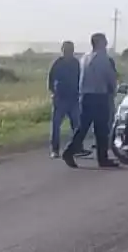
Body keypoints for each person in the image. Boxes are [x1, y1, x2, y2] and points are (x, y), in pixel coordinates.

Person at [62, 33, 119, 168]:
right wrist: (113, 89)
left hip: (85, 96)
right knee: (101, 128)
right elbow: (110, 76)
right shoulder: (103, 58)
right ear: (99, 43)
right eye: (104, 41)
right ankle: (101, 158)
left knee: (83, 127)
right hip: (99, 95)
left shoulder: (85, 58)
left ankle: (72, 151)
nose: (106, 43)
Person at [47, 41, 81, 159]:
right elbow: (50, 79)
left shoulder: (76, 63)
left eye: (70, 49)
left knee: (76, 125)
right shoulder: (57, 63)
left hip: (74, 97)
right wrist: (54, 92)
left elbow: (80, 78)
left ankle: (76, 148)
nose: (68, 52)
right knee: (56, 125)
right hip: (60, 98)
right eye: (66, 49)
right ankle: (55, 149)